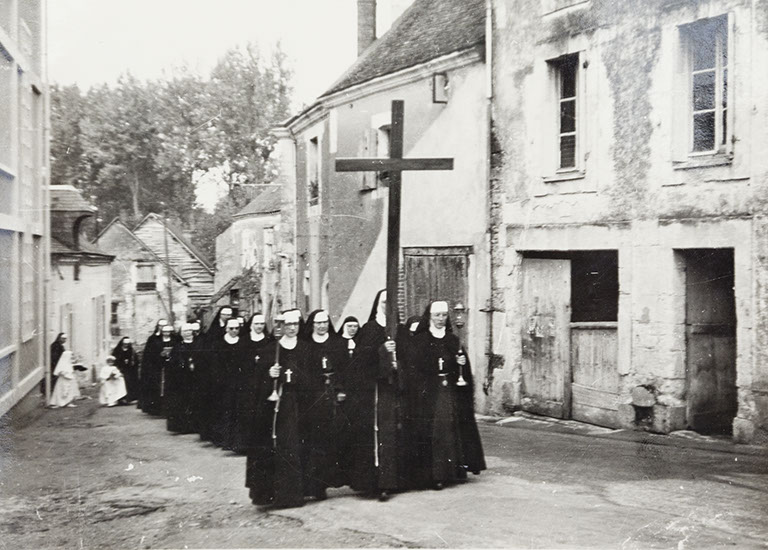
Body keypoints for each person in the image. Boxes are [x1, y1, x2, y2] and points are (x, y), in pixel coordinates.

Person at [410, 301, 486, 490]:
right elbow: (415, 368)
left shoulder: (452, 340)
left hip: (448, 391)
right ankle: (434, 475)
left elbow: (462, 370)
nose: (441, 319)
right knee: (434, 431)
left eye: (444, 315)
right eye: (437, 316)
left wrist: (460, 362)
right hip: (429, 393)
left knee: (450, 430)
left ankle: (453, 471)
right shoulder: (420, 340)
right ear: (430, 317)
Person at [346, 290, 407, 501]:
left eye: (390, 303)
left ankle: (392, 481)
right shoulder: (369, 329)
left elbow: (411, 357)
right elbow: (360, 360)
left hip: (395, 390)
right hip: (375, 390)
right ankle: (374, 482)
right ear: (377, 304)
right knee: (376, 434)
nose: (386, 306)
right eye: (383, 302)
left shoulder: (401, 329)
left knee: (392, 434)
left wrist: (398, 360)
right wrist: (382, 350)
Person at [246, 309, 309, 509]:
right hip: (277, 405)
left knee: (298, 446)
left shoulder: (306, 349)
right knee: (280, 446)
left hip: (300, 404)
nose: (292, 328)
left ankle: (299, 493)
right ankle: (275, 494)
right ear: (281, 327)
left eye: (295, 325)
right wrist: (268, 375)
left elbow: (311, 377)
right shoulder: (271, 351)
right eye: (288, 325)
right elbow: (256, 382)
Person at [300, 309, 350, 499]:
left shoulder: (337, 343)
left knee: (334, 438)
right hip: (314, 396)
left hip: (334, 396)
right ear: (312, 324)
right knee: (314, 441)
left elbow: (345, 369)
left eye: (324, 323)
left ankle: (333, 481)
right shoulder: (307, 345)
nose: (322, 326)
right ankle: (315, 486)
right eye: (318, 323)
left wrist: (341, 390)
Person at [232, 313, 273, 454]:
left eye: (262, 324)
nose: (259, 326)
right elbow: (237, 363)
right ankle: (244, 445)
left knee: (263, 413)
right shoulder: (243, 341)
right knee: (247, 413)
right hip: (247, 383)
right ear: (251, 325)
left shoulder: (269, 340)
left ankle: (262, 445)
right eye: (256, 324)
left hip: (264, 383)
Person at [165, 323, 199, 434]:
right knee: (182, 402)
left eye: (190, 330)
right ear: (181, 333)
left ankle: (196, 426)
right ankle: (183, 427)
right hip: (182, 379)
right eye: (185, 331)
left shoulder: (199, 344)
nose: (188, 333)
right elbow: (173, 363)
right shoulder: (178, 346)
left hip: (196, 377)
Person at [142, 324, 175, 416]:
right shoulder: (156, 341)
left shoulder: (175, 340)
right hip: (158, 366)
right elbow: (151, 354)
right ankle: (158, 409)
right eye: (164, 332)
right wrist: (160, 355)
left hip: (170, 367)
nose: (166, 334)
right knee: (158, 388)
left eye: (168, 332)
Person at [139, 320, 167, 411]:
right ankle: (155, 407)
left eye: (165, 326)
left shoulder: (173, 337)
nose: (163, 328)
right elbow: (148, 353)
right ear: (158, 326)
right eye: (161, 326)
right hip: (155, 366)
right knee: (156, 387)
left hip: (168, 366)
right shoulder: (153, 338)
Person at [112, 337, 140, 404]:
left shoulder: (132, 351)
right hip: (120, 369)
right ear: (122, 343)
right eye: (125, 343)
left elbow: (135, 360)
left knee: (130, 383)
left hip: (130, 370)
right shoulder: (117, 350)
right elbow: (114, 360)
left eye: (127, 344)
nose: (126, 345)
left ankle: (130, 398)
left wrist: (131, 363)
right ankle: (121, 399)